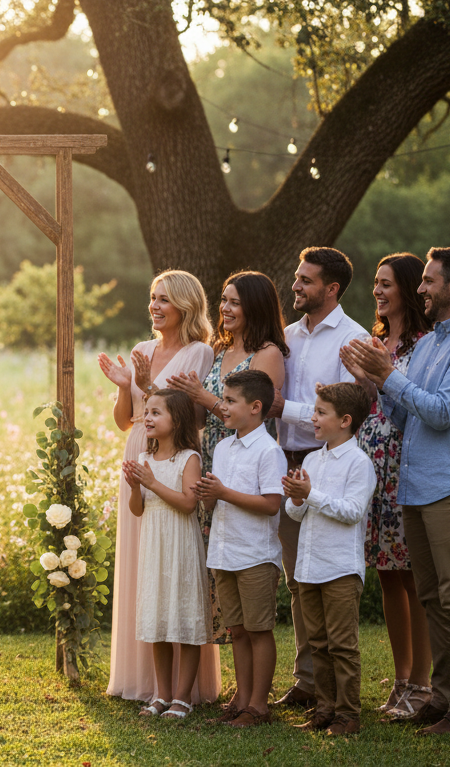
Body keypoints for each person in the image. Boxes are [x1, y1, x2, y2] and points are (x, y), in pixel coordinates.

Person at [342, 246, 450, 737]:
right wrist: (373, 381)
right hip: (414, 485)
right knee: (432, 596)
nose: (421, 288)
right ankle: (443, 697)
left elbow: (441, 412)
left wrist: (389, 376)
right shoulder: (431, 343)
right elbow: (403, 415)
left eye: (429, 280)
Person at [96, 270, 219, 705]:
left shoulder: (200, 352)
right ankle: (142, 681)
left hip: (173, 459)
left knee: (175, 571)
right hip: (139, 453)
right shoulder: (142, 349)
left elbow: (192, 417)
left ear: (185, 305)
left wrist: (147, 386)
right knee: (141, 565)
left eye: (164, 299)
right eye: (152, 297)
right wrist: (121, 389)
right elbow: (126, 420)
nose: (155, 306)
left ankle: (184, 690)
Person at [268, 247, 371, 711]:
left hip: (327, 463)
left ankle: (330, 688)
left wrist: (278, 408)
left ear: (331, 289)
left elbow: (345, 406)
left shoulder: (353, 339)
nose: (296, 286)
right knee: (297, 577)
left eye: (306, 280)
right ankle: (308, 679)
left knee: (326, 572)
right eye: (296, 277)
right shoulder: (287, 336)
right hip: (288, 463)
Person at [166, 270, 286, 649]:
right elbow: (202, 418)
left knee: (241, 552)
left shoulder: (267, 354)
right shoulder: (218, 351)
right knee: (216, 557)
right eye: (224, 300)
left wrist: (205, 398)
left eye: (235, 302)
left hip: (248, 460)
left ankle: (250, 684)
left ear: (254, 306)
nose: (225, 308)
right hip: (215, 455)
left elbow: (257, 413)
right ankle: (232, 670)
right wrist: (183, 400)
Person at [355, 253, 434, 719]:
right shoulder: (378, 340)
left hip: (405, 460)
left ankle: (422, 684)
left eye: (386, 284)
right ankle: (401, 678)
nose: (378, 293)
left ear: (406, 288)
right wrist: (362, 377)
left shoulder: (426, 343)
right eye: (376, 285)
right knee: (386, 572)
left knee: (411, 575)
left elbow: (413, 403)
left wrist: (384, 372)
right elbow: (371, 403)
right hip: (373, 461)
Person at [282, 383, 377, 736]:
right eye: (314, 410)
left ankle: (348, 714)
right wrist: (295, 498)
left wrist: (311, 494)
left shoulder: (359, 463)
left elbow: (352, 512)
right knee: (317, 643)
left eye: (321, 412)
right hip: (309, 566)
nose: (313, 418)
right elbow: (297, 515)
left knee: (342, 645)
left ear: (345, 420)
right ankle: (324, 708)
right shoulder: (311, 460)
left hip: (340, 569)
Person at [194, 369, 287, 729]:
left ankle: (259, 706)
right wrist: (208, 498)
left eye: (230, 401)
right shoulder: (222, 447)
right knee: (237, 631)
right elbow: (218, 502)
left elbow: (270, 504)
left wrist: (223, 494)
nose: (223, 406)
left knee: (259, 630)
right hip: (224, 551)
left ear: (255, 407)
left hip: (255, 555)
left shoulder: (269, 451)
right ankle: (243, 701)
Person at [121, 389, 211, 720]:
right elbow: (138, 509)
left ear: (177, 421)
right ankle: (162, 694)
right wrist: (135, 486)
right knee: (158, 621)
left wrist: (152, 483)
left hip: (181, 547)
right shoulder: (144, 460)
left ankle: (183, 697)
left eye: (156, 412)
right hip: (154, 548)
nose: (147, 417)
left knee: (184, 620)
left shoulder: (189, 458)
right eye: (147, 412)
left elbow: (189, 504)